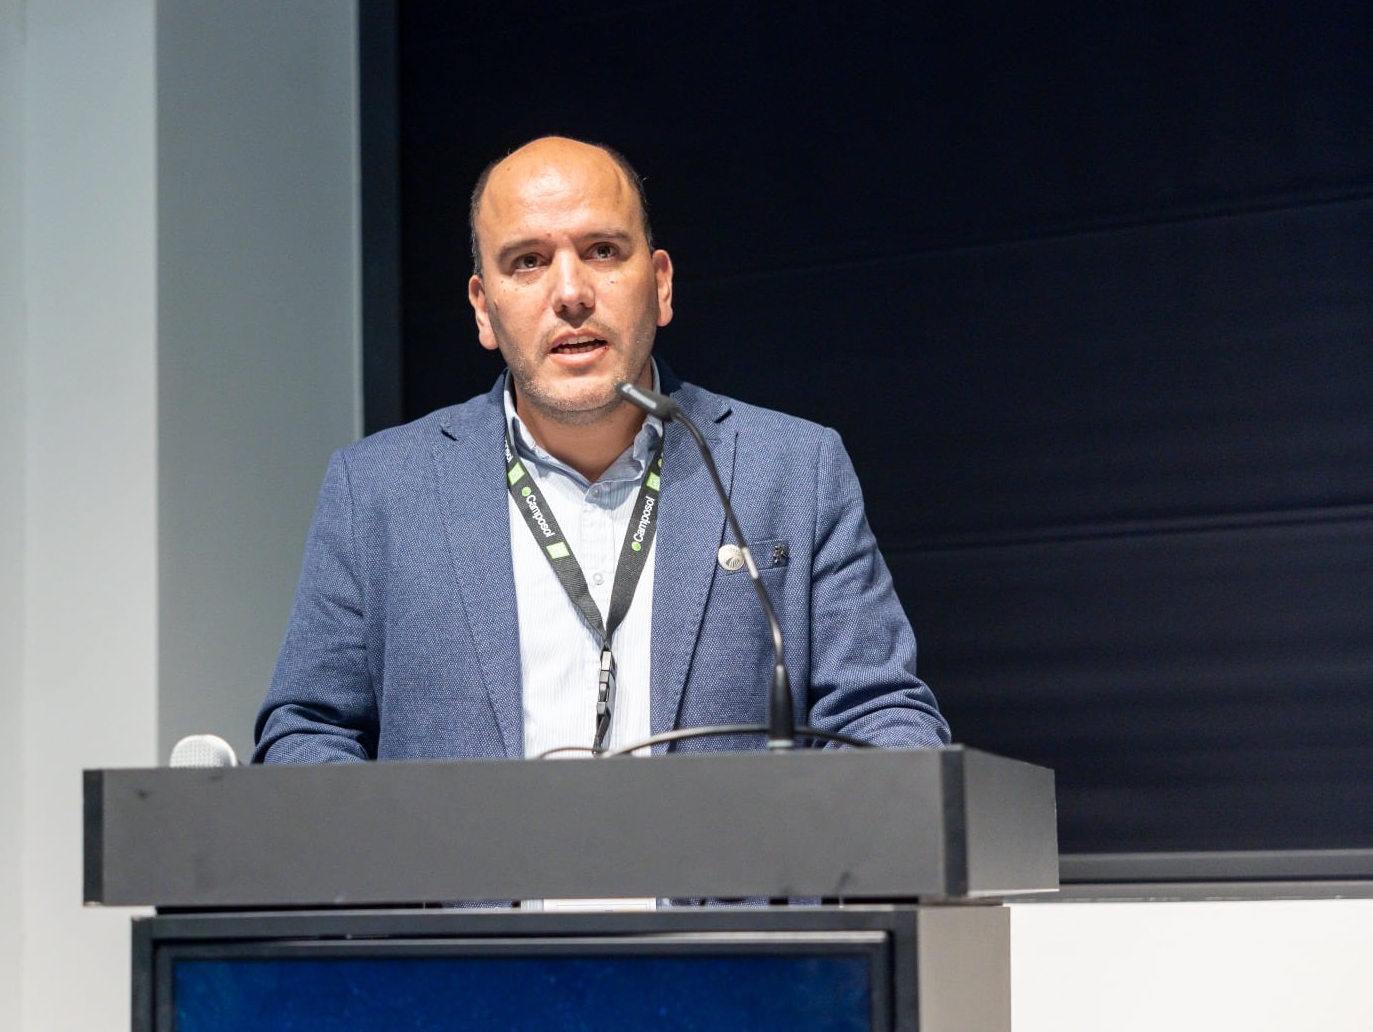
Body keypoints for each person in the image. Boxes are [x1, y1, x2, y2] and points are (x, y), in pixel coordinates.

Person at [254, 136, 947, 763]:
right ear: (482, 308)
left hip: (728, 907)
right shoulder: (377, 491)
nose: (571, 293)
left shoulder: (792, 470)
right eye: (527, 261)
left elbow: (882, 714)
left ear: (663, 284)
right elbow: (307, 731)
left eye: (603, 251)